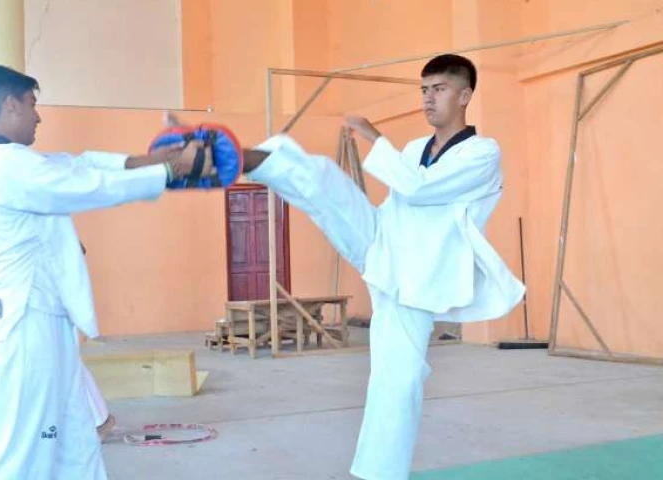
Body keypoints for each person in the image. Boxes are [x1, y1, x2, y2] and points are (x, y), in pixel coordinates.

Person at [172, 53, 525, 479]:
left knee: (397, 382)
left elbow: (417, 190)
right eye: (424, 90)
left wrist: (373, 135)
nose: (429, 99)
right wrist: (358, 212)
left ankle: (376, 473)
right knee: (324, 179)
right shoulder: (415, 149)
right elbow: (399, 201)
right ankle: (234, 158)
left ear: (465, 95)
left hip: (415, 280)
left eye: (440, 90)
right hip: (382, 241)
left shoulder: (483, 153)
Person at [0, 64, 210, 479]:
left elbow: (78, 166)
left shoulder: (14, 163)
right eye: (31, 104)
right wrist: (170, 171)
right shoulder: (4, 166)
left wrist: (153, 160)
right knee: (24, 451)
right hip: (30, 324)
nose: (38, 116)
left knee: (75, 438)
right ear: (10, 105)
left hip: (43, 319)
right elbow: (90, 186)